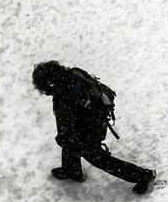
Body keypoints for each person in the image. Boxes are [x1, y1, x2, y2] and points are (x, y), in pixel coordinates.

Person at [32, 60, 156, 194]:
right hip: (97, 119)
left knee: (98, 158)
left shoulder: (64, 99)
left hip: (88, 129)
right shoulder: (74, 73)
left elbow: (67, 131)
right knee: (70, 143)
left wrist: (65, 140)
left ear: (50, 84)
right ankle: (72, 171)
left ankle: (144, 176)